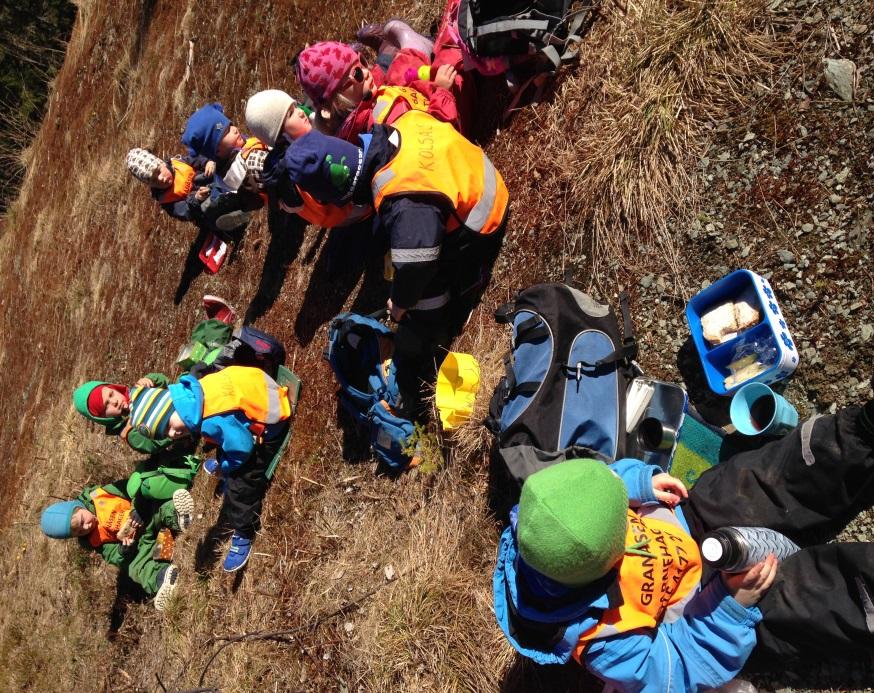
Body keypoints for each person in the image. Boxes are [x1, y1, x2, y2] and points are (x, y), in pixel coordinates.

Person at [493, 398, 874, 691]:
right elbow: (674, 673)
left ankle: (859, 438)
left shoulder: (548, 503)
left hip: (688, 519)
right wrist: (730, 611)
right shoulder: (603, 640)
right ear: (610, 561)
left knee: (761, 480)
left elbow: (605, 480)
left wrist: (639, 484)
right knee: (806, 596)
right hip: (703, 608)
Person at [282, 110, 508, 419]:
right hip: (471, 172)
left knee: (420, 283)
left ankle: (438, 328)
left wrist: (401, 304)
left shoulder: (403, 201)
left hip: (483, 216)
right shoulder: (399, 125)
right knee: (400, 246)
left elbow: (418, 266)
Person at [128, 365, 293, 572]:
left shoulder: (210, 419)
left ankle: (244, 531)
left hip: (271, 420)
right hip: (262, 390)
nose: (171, 434)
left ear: (172, 406)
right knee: (225, 439)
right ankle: (225, 463)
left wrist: (226, 468)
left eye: (168, 426)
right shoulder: (196, 390)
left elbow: (242, 449)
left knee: (240, 482)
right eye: (165, 434)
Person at [72, 297, 237, 455]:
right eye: (106, 406)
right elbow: (159, 440)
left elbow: (165, 382)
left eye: (110, 394)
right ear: (103, 418)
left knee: (190, 355)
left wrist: (151, 380)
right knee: (206, 364)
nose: (114, 401)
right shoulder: (131, 433)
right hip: (191, 414)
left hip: (183, 394)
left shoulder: (136, 393)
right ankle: (221, 330)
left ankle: (211, 327)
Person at [40, 481, 195, 612]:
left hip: (146, 517)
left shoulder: (100, 494)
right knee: (134, 568)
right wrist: (122, 550)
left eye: (82, 521)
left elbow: (132, 487)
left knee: (158, 508)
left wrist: (137, 508)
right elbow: (111, 554)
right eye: (80, 532)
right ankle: (162, 578)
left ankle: (178, 514)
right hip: (140, 544)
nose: (86, 527)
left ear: (77, 506)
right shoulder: (89, 540)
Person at [243, 89, 371, 228]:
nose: (300, 111)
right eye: (291, 114)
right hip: (339, 211)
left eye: (295, 105)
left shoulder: (303, 140)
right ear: (280, 135)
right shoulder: (298, 167)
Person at [293, 40, 465, 141]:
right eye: (357, 74)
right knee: (453, 57)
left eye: (362, 62)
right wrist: (443, 92)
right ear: (336, 101)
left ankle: (397, 46)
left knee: (400, 66)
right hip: (447, 118)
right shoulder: (380, 128)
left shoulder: (361, 109)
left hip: (415, 104)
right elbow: (435, 140)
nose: (366, 72)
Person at [125, 147, 249, 235]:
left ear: (161, 163)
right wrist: (196, 199)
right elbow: (184, 212)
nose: (161, 179)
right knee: (209, 208)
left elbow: (197, 159)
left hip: (213, 182)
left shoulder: (179, 163)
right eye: (154, 181)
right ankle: (235, 219)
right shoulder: (166, 199)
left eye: (159, 172)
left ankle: (242, 177)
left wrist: (207, 162)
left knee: (219, 162)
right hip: (205, 207)